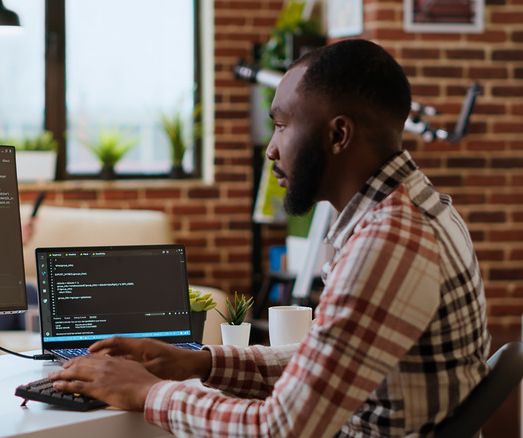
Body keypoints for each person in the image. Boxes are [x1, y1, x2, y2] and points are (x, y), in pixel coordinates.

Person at [48, 39, 490, 437]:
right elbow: (328, 361)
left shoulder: (388, 242)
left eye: (281, 125)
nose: (271, 149)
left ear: (338, 135)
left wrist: (147, 391)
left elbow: (280, 428)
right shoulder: (418, 206)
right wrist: (200, 362)